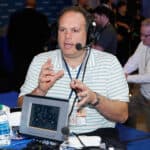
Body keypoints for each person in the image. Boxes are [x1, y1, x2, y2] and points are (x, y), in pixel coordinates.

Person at [18, 6, 128, 148]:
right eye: (62, 30)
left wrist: (95, 99)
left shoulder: (109, 62)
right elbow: (21, 107)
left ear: (89, 35)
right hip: (49, 138)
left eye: (75, 30)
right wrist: (40, 91)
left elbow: (123, 115)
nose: (67, 36)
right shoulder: (41, 61)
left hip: (96, 138)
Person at [7, 0, 50, 91]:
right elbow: (46, 36)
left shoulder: (15, 16)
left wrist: (13, 51)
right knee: (35, 77)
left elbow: (10, 37)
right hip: (36, 53)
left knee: (20, 78)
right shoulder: (41, 17)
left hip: (19, 54)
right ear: (35, 3)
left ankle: (19, 97)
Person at [124, 18, 150, 131]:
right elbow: (133, 61)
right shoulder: (143, 44)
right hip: (143, 95)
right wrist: (121, 73)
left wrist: (127, 78)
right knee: (125, 113)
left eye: (145, 36)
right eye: (141, 34)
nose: (141, 38)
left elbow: (148, 77)